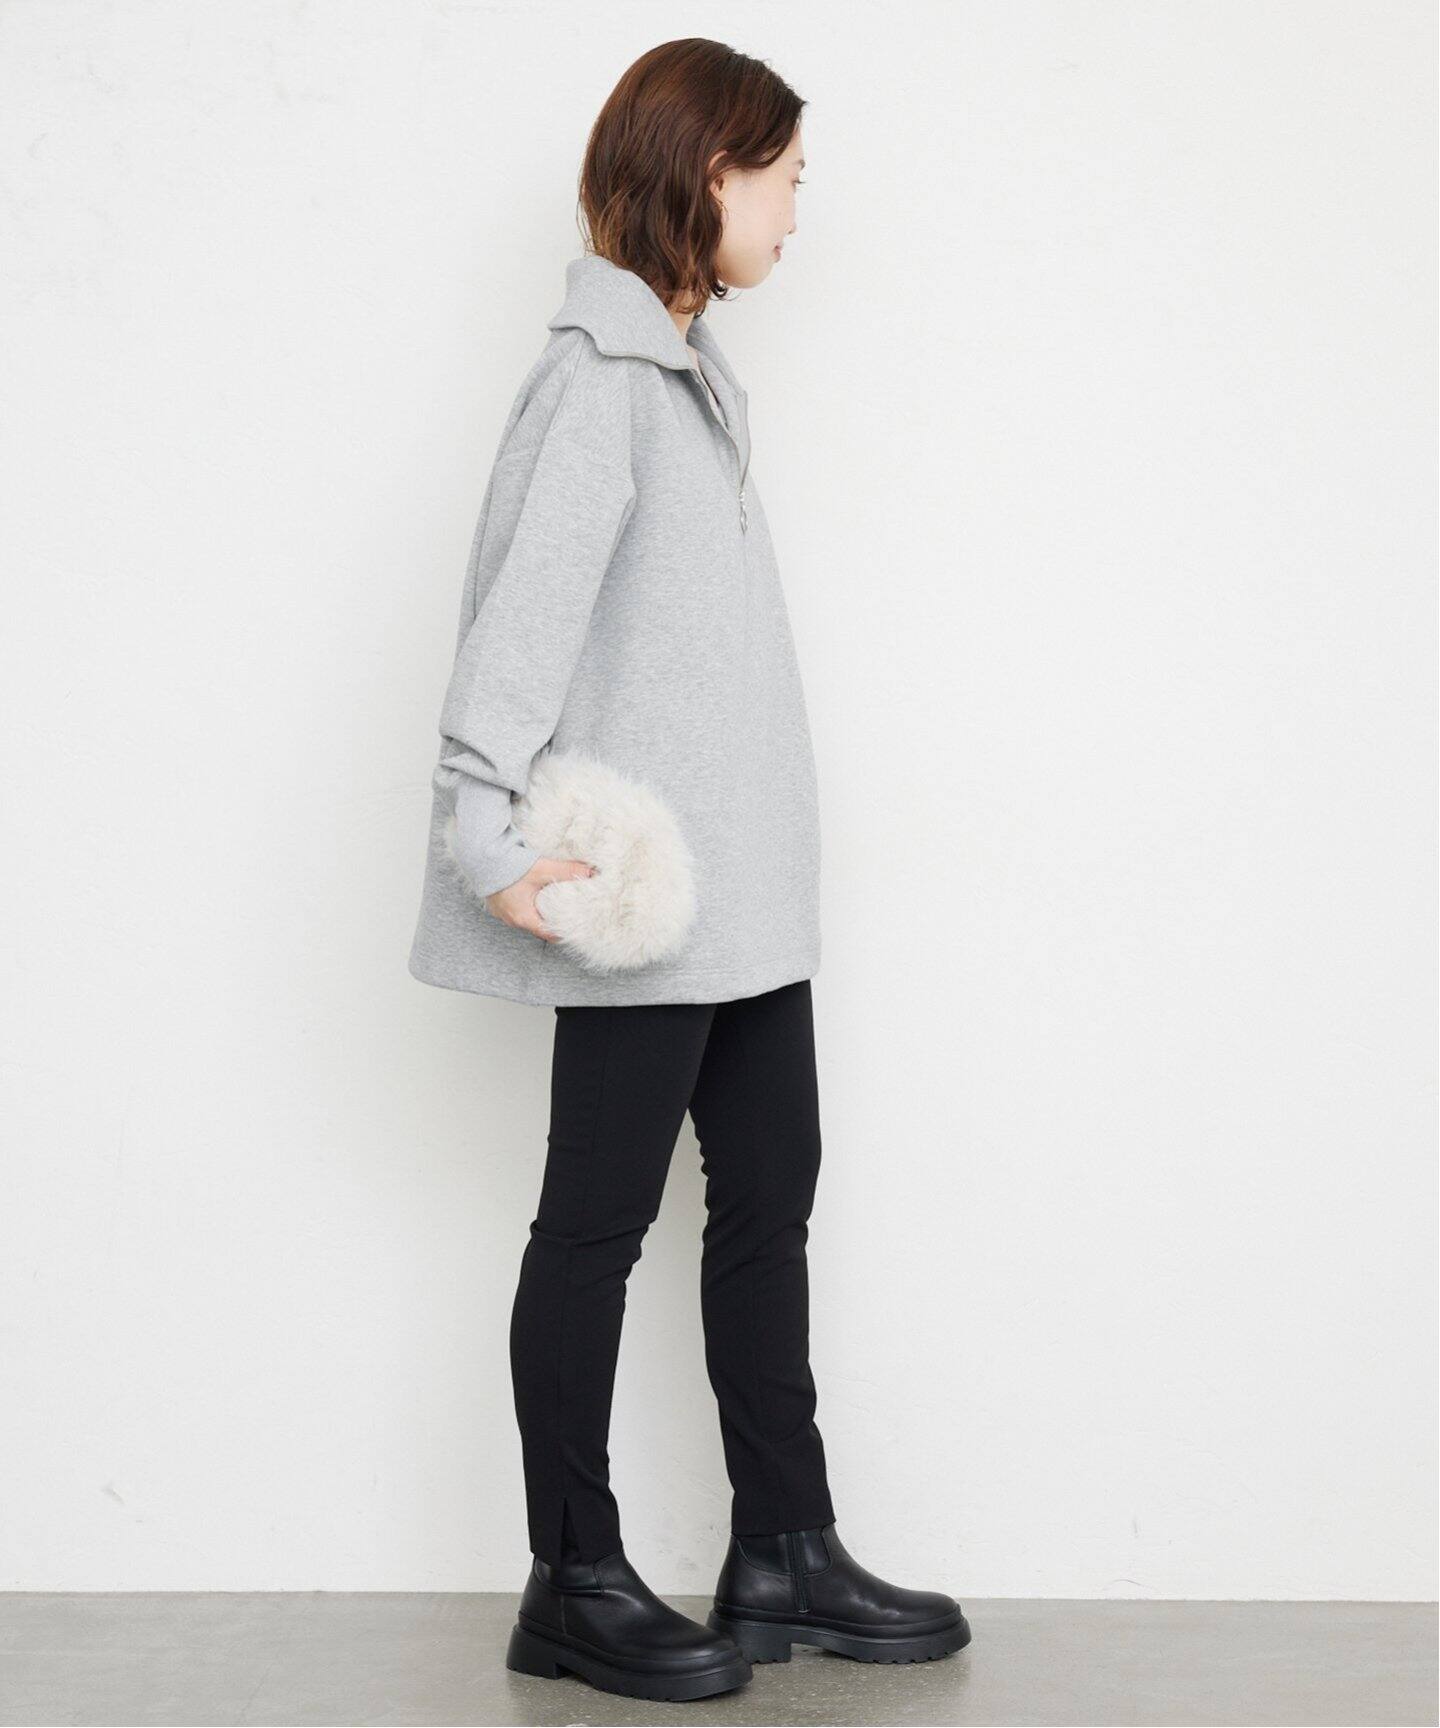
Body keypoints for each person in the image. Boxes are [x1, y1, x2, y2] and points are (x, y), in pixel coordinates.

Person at [408, 36, 971, 1704]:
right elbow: (517, 623)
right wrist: (488, 832)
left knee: (771, 1196)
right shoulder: (600, 381)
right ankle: (572, 1578)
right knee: (594, 1226)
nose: (798, 208)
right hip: (651, 902)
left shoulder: (687, 375)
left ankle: (781, 1546)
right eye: (784, 176)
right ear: (709, 174)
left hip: (750, 904)